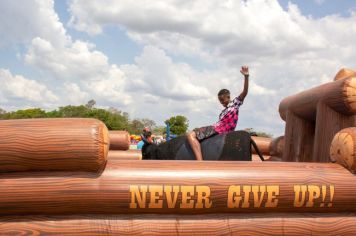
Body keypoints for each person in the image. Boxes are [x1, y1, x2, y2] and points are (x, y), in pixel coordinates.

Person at [187, 66, 250, 161]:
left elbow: (244, 92)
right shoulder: (222, 113)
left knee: (190, 135)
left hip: (217, 129)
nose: (222, 102)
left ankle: (199, 162)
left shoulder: (235, 104)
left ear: (228, 97)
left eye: (223, 100)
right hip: (218, 129)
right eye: (220, 101)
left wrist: (246, 76)